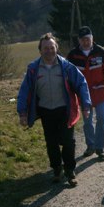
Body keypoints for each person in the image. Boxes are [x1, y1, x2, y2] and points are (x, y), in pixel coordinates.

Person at [17, 33, 91, 186]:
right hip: (46, 111)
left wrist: (85, 105)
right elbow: (24, 91)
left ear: (56, 49)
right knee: (51, 143)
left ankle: (70, 170)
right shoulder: (33, 69)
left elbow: (81, 84)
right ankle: (57, 169)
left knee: (68, 141)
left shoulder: (67, 67)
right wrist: (23, 113)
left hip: (65, 110)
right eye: (45, 48)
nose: (49, 51)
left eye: (52, 47)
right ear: (40, 50)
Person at [67, 26, 104, 161]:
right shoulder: (73, 55)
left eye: (88, 39)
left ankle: (100, 148)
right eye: (83, 39)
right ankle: (91, 146)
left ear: (92, 38)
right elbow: (67, 76)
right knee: (87, 122)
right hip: (83, 95)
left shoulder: (101, 53)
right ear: (79, 40)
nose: (86, 42)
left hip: (100, 93)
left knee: (101, 118)